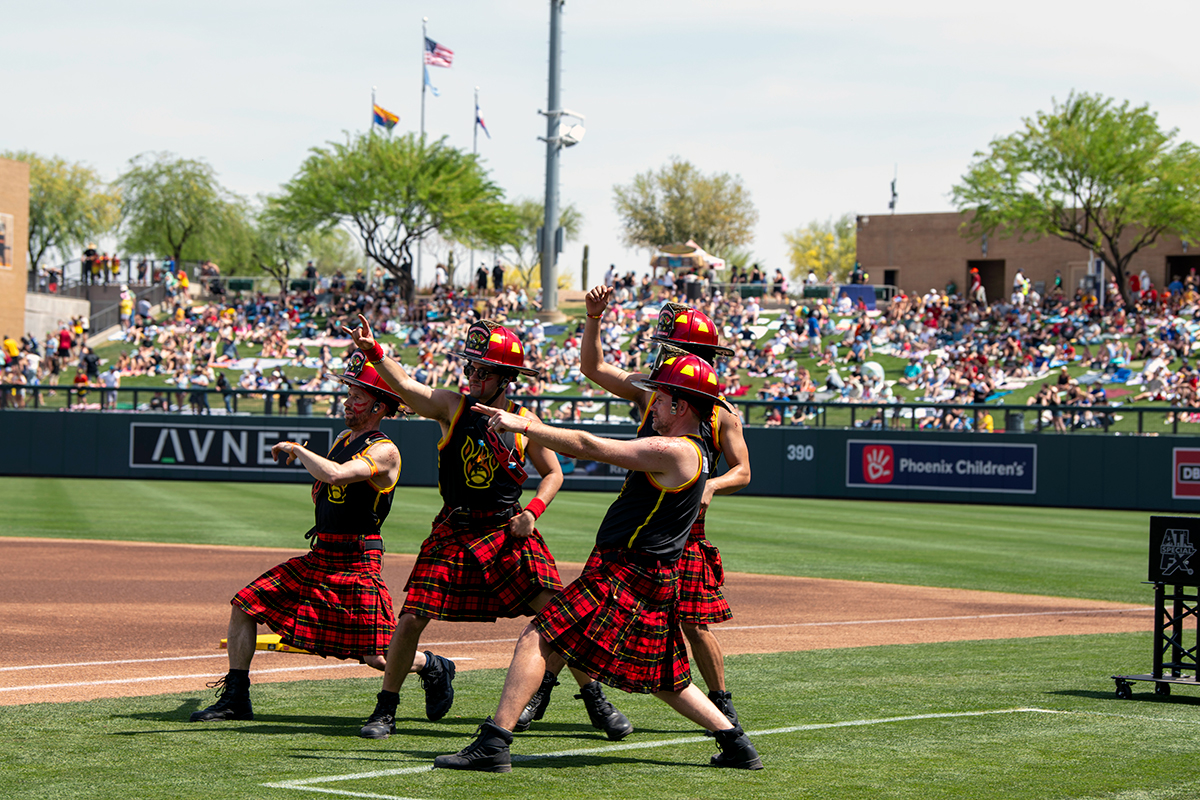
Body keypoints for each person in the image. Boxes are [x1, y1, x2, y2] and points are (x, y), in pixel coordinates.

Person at [433, 350, 762, 772]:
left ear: (681, 406)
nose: (652, 405)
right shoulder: (689, 449)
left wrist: (526, 425)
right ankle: (736, 744)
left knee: (539, 635)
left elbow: (590, 446)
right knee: (664, 675)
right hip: (646, 574)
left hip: (627, 571)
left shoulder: (677, 451)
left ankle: (495, 742)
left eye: (659, 398)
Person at [343, 316, 632, 740]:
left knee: (560, 615)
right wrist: (374, 352)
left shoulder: (524, 421)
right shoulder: (451, 407)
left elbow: (553, 475)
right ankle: (385, 708)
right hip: (455, 527)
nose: (473, 376)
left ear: (505, 378)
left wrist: (532, 512)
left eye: (483, 371)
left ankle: (595, 699)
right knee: (411, 618)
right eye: (470, 368)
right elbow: (406, 388)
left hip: (507, 530)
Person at [569, 291, 751, 729]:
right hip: (639, 515)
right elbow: (592, 368)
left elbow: (743, 471)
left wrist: (711, 483)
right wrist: (593, 317)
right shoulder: (652, 391)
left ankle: (721, 703)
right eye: (663, 350)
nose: (662, 358)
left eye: (672, 350)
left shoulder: (722, 412)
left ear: (696, 355)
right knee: (579, 608)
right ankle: (556, 692)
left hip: (684, 522)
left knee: (694, 621)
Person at [189, 354, 403, 723]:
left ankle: (433, 667)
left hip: (357, 560)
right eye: (348, 393)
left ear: (379, 406)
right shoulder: (343, 438)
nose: (348, 402)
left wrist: (298, 449)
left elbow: (336, 476)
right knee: (244, 605)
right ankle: (237, 698)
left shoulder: (384, 450)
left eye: (357, 396)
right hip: (321, 555)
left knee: (378, 656)